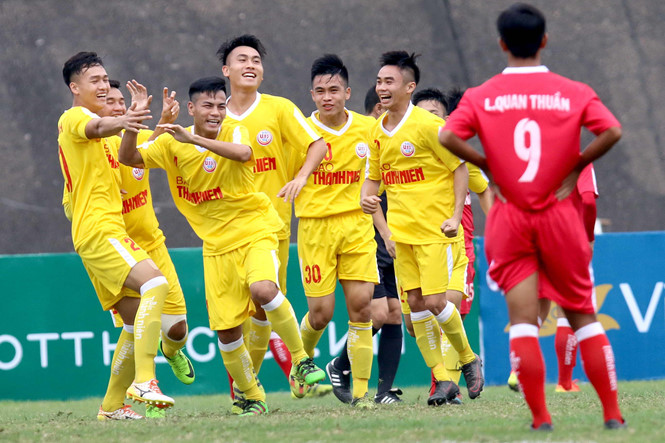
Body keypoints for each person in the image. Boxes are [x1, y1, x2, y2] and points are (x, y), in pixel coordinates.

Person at [439, 3, 625, 430]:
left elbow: (447, 134)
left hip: (511, 216)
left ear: (502, 44)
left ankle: (541, 419)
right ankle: (612, 416)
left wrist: (487, 165)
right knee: (582, 315)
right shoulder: (572, 91)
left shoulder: (481, 95)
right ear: (544, 41)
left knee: (522, 321)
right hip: (558, 215)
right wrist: (577, 166)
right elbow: (611, 130)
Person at [118, 76, 325, 416]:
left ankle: (301, 360)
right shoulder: (173, 142)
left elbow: (244, 153)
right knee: (228, 332)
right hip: (215, 247)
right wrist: (135, 121)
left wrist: (194, 137)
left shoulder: (234, 132)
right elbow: (130, 158)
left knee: (262, 289)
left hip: (255, 230)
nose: (215, 112)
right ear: (191, 108)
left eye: (220, 105)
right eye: (207, 106)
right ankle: (251, 396)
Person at [64, 79, 195, 420]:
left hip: (143, 243)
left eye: (124, 102)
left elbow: (144, 150)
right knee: (152, 292)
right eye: (112, 100)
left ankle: (111, 407)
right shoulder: (83, 133)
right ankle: (144, 380)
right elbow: (73, 199)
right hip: (111, 243)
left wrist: (162, 120)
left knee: (156, 325)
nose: (119, 106)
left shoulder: (120, 146)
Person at [361, 51, 484, 406]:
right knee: (415, 309)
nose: (382, 88)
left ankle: (467, 358)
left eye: (390, 82)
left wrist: (454, 214)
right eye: (380, 81)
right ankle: (444, 380)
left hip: (435, 232)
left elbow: (460, 166)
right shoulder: (376, 132)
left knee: (434, 301)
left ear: (409, 87)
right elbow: (372, 185)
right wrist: (377, 219)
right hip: (401, 236)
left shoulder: (429, 126)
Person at [215, 35, 329, 401]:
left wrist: (301, 176)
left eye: (256, 61)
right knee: (233, 321)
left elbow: (318, 143)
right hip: (226, 232)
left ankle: (247, 392)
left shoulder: (279, 108)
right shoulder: (213, 115)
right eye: (242, 59)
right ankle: (254, 387)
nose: (250, 65)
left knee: (264, 309)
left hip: (270, 225)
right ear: (225, 70)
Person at [284, 54, 378, 408]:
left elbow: (382, 171)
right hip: (315, 228)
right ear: (311, 95)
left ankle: (361, 393)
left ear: (347, 92)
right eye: (320, 91)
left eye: (334, 90)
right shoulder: (301, 133)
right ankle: (301, 364)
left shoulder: (367, 130)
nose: (328, 97)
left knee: (362, 308)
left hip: (356, 225)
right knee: (321, 313)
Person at [412, 87, 493, 401]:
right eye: (420, 115)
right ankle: (449, 377)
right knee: (416, 320)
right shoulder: (407, 157)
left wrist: (500, 234)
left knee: (447, 306)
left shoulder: (458, 157)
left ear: (447, 120)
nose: (425, 121)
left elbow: (485, 192)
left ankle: (446, 386)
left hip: (457, 245)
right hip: (415, 247)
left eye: (433, 115)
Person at [327, 86, 404, 406]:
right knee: (377, 313)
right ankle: (340, 365)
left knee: (395, 313)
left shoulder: (395, 145)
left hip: (391, 237)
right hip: (367, 237)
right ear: (375, 113)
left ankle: (385, 391)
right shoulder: (365, 144)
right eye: (385, 113)